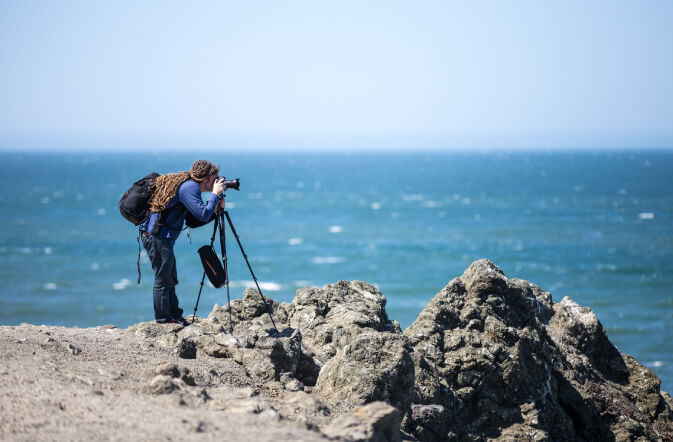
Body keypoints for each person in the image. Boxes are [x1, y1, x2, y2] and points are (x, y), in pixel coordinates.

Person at [140, 159, 226, 325]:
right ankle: (164, 319)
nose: (216, 182)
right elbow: (202, 214)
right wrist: (214, 195)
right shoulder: (190, 187)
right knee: (163, 278)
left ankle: (175, 315)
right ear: (206, 178)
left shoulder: (189, 187)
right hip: (157, 236)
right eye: (215, 178)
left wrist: (215, 211)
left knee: (170, 277)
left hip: (161, 237)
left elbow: (193, 221)